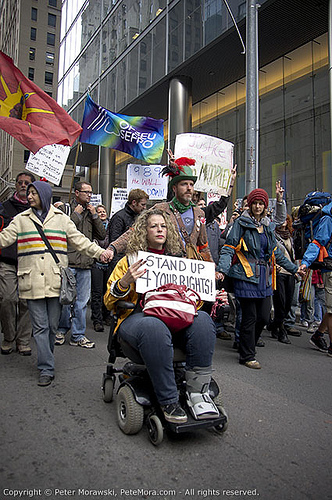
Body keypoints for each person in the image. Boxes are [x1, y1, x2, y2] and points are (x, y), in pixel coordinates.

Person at [104, 208, 219, 423]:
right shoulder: (129, 261)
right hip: (137, 317)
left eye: (164, 226)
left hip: (175, 318)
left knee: (203, 320)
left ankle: (198, 393)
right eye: (153, 226)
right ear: (143, 231)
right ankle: (168, 399)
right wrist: (125, 281)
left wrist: (208, 294)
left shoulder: (181, 262)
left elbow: (196, 302)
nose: (159, 230)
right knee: (154, 326)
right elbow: (109, 301)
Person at [0, 181, 110, 386]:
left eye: (34, 193)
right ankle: (46, 367)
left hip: (55, 281)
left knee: (51, 327)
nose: (30, 196)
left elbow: (81, 241)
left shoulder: (61, 220)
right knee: (40, 327)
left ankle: (46, 358)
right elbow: (4, 238)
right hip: (31, 281)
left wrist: (100, 252)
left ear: (44, 194)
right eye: (29, 193)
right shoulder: (20, 219)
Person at [217, 188, 301, 369]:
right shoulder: (241, 223)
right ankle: (247, 355)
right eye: (255, 203)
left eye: (261, 203)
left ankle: (247, 346)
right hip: (244, 274)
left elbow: (275, 252)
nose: (257, 206)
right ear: (250, 205)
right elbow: (229, 247)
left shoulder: (268, 226)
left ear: (264, 206)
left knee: (263, 317)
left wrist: (293, 269)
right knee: (249, 317)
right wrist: (222, 270)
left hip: (264, 277)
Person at [107, 157, 236, 263]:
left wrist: (211, 269)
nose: (189, 188)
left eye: (191, 184)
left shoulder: (199, 213)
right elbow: (135, 231)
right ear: (174, 188)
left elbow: (204, 246)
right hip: (166, 267)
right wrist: (113, 247)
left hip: (191, 270)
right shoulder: (161, 209)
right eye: (184, 184)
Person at [55, 181, 107, 348]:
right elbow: (62, 232)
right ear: (76, 193)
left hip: (85, 264)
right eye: (86, 192)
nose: (89, 195)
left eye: (91, 192)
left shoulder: (91, 212)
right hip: (69, 262)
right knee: (65, 300)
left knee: (82, 303)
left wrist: (94, 215)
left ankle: (78, 335)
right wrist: (76, 215)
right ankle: (61, 330)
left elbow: (102, 234)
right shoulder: (66, 210)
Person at [0, 172, 35, 356]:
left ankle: (23, 340)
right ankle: (8, 336)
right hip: (7, 260)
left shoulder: (37, 209)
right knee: (7, 299)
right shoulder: (4, 207)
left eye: (26, 183)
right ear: (15, 185)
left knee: (26, 302)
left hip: (29, 260)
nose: (23, 185)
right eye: (20, 182)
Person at [299, 199, 332, 357]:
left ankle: (318, 334)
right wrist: (305, 263)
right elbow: (318, 243)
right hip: (330, 268)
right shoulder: (328, 219)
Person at [270, 215, 297, 344]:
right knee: (280, 301)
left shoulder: (290, 237)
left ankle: (275, 324)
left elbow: (293, 255)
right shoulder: (273, 236)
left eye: (286, 220)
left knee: (289, 302)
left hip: (290, 272)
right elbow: (273, 253)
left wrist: (296, 270)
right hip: (279, 272)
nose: (284, 222)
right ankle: (281, 330)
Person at [108, 188, 149, 271]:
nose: (144, 208)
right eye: (142, 204)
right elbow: (114, 241)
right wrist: (119, 266)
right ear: (134, 203)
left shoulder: (139, 217)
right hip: (121, 263)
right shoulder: (119, 217)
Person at [91, 204, 112, 332]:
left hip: (108, 264)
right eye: (99, 212)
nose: (102, 213)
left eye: (104, 211)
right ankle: (97, 319)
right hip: (97, 264)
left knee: (107, 291)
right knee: (97, 293)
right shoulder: (94, 227)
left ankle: (106, 316)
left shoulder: (111, 226)